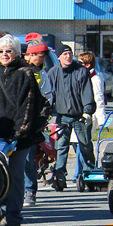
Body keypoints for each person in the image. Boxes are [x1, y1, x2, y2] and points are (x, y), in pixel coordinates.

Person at [0, 34, 42, 226]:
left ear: (16, 53)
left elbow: (28, 108)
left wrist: (17, 134)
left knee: (14, 176)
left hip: (19, 138)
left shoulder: (26, 74)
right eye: (0, 51)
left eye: (9, 51)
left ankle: (14, 217)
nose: (4, 54)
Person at [43, 43, 95, 189]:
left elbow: (87, 93)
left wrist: (88, 111)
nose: (68, 56)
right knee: (62, 146)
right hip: (62, 116)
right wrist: (47, 113)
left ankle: (90, 172)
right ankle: (60, 174)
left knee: (85, 145)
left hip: (80, 116)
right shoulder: (53, 73)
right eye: (65, 54)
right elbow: (49, 95)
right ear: (59, 57)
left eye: (70, 53)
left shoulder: (81, 71)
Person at [22, 36, 52, 205]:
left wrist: (42, 119)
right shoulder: (20, 71)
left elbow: (48, 98)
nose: (41, 59)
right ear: (29, 56)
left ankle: (30, 191)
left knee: (28, 159)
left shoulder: (43, 75)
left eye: (42, 56)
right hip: (18, 120)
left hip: (33, 123)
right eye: (38, 55)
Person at [77, 51, 107, 129]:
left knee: (83, 139)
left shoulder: (95, 79)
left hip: (90, 115)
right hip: (79, 113)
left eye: (80, 63)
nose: (77, 65)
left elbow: (99, 99)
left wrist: (102, 120)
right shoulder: (81, 77)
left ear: (87, 65)